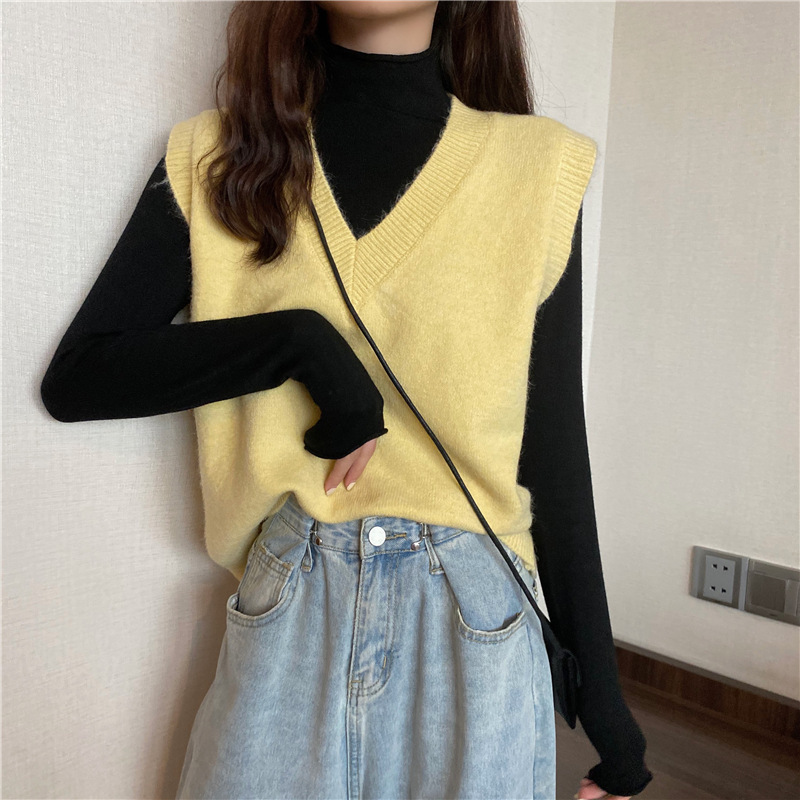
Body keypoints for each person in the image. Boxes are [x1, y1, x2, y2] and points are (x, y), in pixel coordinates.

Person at [40, 2, 654, 798]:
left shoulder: (538, 168)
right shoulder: (217, 158)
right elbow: (79, 376)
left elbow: (554, 455)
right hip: (291, 605)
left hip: (480, 621)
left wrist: (610, 718)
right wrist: (297, 343)